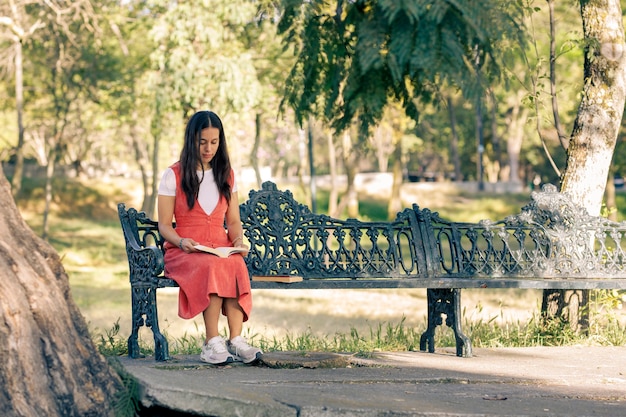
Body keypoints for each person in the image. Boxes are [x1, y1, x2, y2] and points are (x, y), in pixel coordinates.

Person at [157, 110, 262, 365]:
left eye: (214, 142)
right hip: (186, 250)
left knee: (235, 263)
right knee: (211, 265)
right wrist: (181, 241)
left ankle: (235, 340)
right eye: (202, 142)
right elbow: (163, 225)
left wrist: (237, 241)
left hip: (220, 245)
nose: (208, 148)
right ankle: (211, 341)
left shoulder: (226, 174)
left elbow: (234, 222)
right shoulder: (174, 174)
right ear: (191, 139)